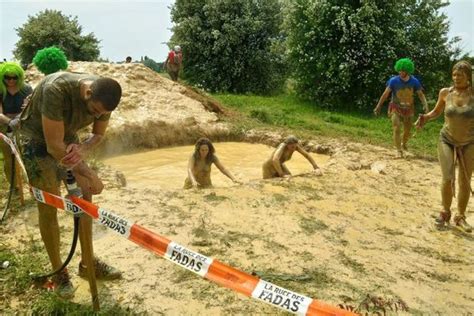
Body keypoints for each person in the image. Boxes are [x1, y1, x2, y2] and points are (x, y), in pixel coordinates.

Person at [18, 71, 123, 296]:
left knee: (85, 196)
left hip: (67, 136)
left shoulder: (105, 100)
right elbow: (54, 147)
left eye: (102, 114)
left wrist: (83, 148)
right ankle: (59, 271)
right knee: (49, 202)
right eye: (94, 111)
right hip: (36, 140)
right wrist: (90, 172)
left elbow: (98, 135)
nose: (97, 116)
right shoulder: (56, 90)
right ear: (87, 92)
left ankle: (87, 263)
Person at [415, 60, 473, 233]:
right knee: (447, 177)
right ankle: (445, 212)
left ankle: (460, 216)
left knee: (465, 180)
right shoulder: (445, 93)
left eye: (460, 75)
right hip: (446, 139)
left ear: (468, 76)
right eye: (454, 75)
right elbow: (437, 112)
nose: (456, 78)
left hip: (470, 142)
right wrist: (425, 117)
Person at [374, 58, 429, 157]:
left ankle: (404, 143)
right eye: (399, 70)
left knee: (407, 131)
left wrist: (425, 105)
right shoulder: (393, 81)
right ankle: (399, 150)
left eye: (403, 70)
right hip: (395, 107)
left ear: (408, 70)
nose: (401, 72)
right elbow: (385, 94)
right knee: (396, 127)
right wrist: (378, 106)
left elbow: (421, 94)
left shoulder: (414, 81)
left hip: (408, 109)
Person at [0, 62, 33, 189]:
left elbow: (29, 107)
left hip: (23, 125)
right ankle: (15, 187)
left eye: (14, 77)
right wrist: (10, 122)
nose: (11, 80)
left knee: (28, 156)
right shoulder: (0, 90)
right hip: (4, 126)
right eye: (7, 77)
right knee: (9, 159)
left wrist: (19, 118)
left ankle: (33, 186)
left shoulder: (27, 89)